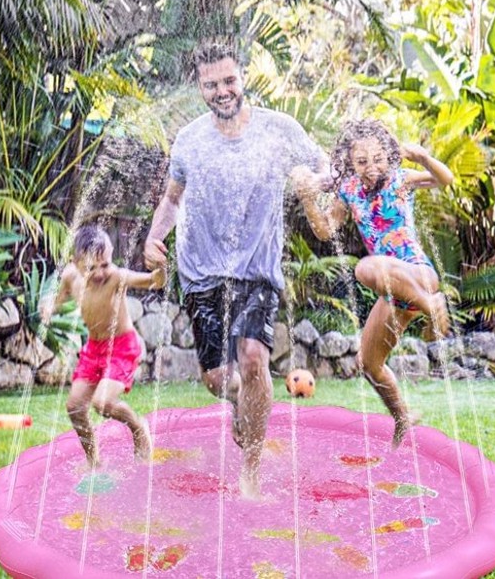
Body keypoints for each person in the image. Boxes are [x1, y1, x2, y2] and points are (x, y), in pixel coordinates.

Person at [143, 42, 330, 498]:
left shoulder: (278, 130)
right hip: (201, 272)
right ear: (200, 87)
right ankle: (241, 405)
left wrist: (317, 183)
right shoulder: (189, 140)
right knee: (216, 380)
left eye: (229, 81)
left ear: (243, 77)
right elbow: (172, 198)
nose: (223, 91)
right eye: (212, 84)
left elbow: (324, 164)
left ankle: (250, 470)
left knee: (253, 358)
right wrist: (153, 238)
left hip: (257, 269)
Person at [292, 119, 453, 446]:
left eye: (378, 159)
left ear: (389, 157)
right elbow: (325, 230)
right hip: (396, 293)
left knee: (365, 268)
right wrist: (309, 199)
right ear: (349, 162)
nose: (371, 168)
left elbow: (444, 180)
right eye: (362, 162)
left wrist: (422, 157)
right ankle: (403, 417)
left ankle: (432, 305)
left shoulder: (401, 180)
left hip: (417, 275)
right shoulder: (349, 191)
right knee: (369, 363)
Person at [44, 225, 166, 468]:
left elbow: (154, 282)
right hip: (93, 349)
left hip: (121, 348)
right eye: (92, 267)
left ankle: (138, 426)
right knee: (74, 407)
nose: (100, 273)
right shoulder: (70, 276)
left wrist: (161, 269)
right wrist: (48, 308)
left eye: (105, 264)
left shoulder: (117, 277)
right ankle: (94, 462)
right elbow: (58, 299)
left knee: (102, 403)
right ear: (76, 262)